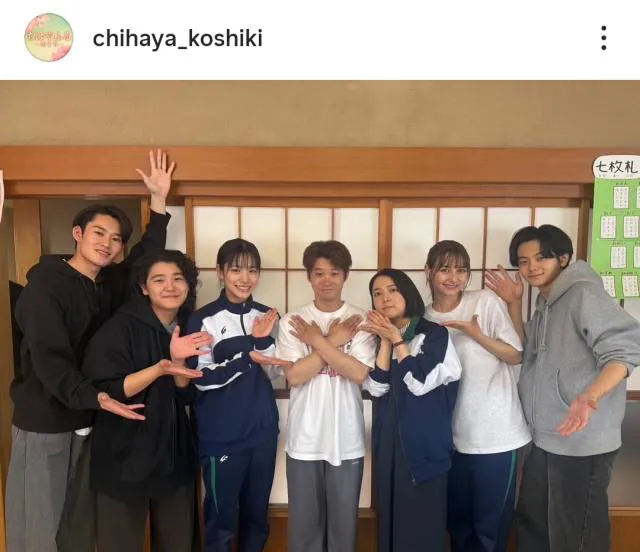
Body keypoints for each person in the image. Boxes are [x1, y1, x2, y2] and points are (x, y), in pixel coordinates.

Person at [5, 149, 175, 552]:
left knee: (78, 521)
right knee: (37, 523)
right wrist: (97, 396)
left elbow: (145, 257)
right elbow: (50, 360)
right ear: (78, 234)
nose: (108, 244)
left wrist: (158, 200)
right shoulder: (44, 289)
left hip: (89, 417)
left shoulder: (108, 284)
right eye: (99, 233)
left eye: (116, 239)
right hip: (45, 418)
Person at [486, 224, 640, 552]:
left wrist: (590, 396)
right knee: (535, 527)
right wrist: (514, 303)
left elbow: (626, 349)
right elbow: (526, 349)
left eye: (541, 257)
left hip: (582, 442)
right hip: (546, 438)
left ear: (564, 258)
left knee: (577, 536)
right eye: (523, 261)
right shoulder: (547, 302)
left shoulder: (583, 294)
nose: (532, 267)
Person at [82, 249, 210, 552]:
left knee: (178, 542)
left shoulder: (192, 325)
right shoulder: (120, 327)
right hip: (124, 454)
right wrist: (160, 368)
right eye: (159, 280)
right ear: (143, 287)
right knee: (120, 544)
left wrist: (177, 363)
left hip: (173, 452)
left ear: (188, 285)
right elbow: (108, 390)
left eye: (178, 279)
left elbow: (186, 394)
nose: (170, 287)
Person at [424, 241, 530, 552]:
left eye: (461, 270)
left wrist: (476, 334)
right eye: (444, 269)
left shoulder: (484, 301)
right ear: (428, 271)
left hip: (496, 435)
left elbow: (516, 354)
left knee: (489, 528)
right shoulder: (424, 318)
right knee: (458, 524)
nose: (453, 277)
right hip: (451, 438)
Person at [186, 238, 291, 552]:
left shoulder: (268, 316)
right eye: (236, 270)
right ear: (220, 272)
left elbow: (275, 373)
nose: (245, 278)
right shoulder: (202, 319)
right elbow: (200, 378)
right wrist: (247, 355)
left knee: (256, 519)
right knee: (221, 524)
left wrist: (262, 341)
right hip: (221, 435)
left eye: (252, 270)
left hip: (262, 433)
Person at [275, 240, 377, 552]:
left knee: (343, 528)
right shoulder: (293, 322)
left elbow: (357, 373)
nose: (327, 280)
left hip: (346, 438)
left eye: (334, 273)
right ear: (309, 277)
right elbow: (294, 376)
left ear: (346, 276)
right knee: (304, 529)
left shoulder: (360, 320)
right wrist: (334, 341)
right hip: (304, 438)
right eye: (319, 273)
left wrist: (317, 342)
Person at [362, 268, 462, 552]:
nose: (385, 298)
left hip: (424, 449)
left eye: (392, 290)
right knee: (391, 527)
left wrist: (397, 340)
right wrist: (385, 340)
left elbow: (419, 382)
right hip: (389, 447)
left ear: (407, 292)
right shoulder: (380, 337)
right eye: (377, 294)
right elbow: (376, 389)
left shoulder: (434, 334)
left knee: (421, 531)